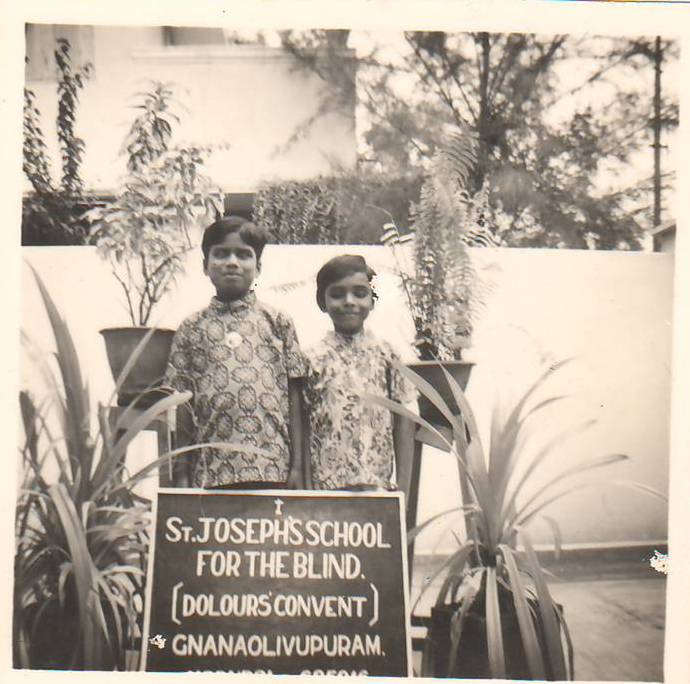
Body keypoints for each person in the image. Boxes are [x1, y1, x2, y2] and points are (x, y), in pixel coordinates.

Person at [164, 215, 306, 489]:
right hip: (211, 471)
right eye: (221, 254)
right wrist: (182, 473)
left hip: (273, 468)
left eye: (243, 255)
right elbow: (183, 404)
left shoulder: (277, 321)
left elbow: (295, 395)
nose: (232, 262)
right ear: (205, 266)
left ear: (258, 266)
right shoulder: (192, 328)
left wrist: (297, 466)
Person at [303, 254, 415, 495]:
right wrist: (307, 486)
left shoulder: (388, 355)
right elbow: (302, 423)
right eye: (337, 294)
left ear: (372, 300)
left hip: (378, 486)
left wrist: (403, 490)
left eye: (360, 293)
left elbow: (404, 421)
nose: (349, 301)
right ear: (322, 302)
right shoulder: (311, 359)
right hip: (327, 489)